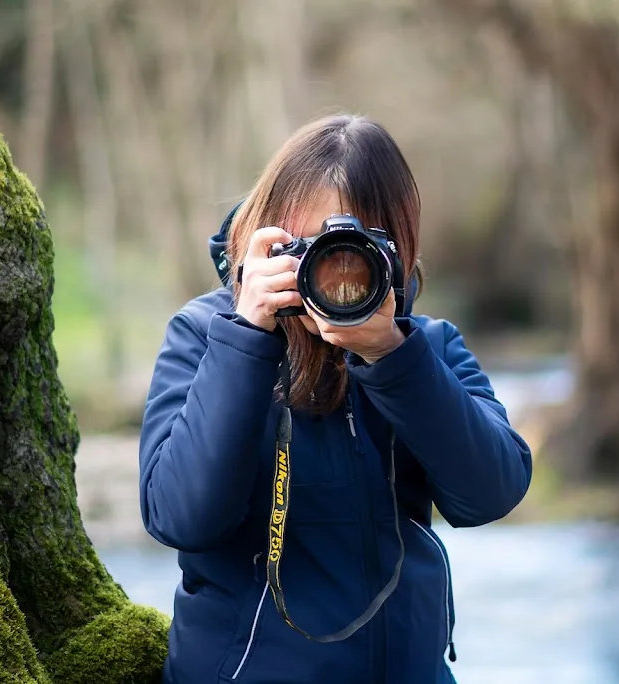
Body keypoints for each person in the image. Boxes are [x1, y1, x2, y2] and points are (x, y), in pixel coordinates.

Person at [139, 113, 533, 684]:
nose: (334, 268)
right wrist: (248, 339)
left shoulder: (425, 348)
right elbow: (180, 516)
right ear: (269, 238)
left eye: (355, 248)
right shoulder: (208, 334)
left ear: (396, 251)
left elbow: (491, 493)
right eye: (313, 245)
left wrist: (393, 358)